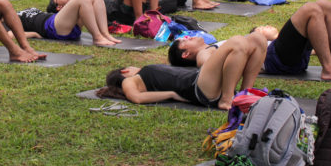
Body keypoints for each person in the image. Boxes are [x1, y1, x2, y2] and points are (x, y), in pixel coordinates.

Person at [103, 33, 266, 110]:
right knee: (237, 41)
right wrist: (171, 94)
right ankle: (227, 99)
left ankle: (245, 94)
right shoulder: (129, 80)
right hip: (198, 87)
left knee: (258, 39)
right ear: (124, 71)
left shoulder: (144, 75)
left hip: (202, 81)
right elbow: (136, 98)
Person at [251, 0, 331, 82]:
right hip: (275, 60)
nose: (265, 26)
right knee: (311, 9)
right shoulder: (257, 43)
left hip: (295, 60)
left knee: (326, 4)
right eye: (260, 29)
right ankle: (329, 68)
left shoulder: (288, 40)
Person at [26, 0, 122, 45]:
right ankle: (97, 37)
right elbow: (10, 35)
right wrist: (34, 34)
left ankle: (105, 34)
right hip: (53, 27)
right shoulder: (16, 17)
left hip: (66, 25)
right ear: (59, 7)